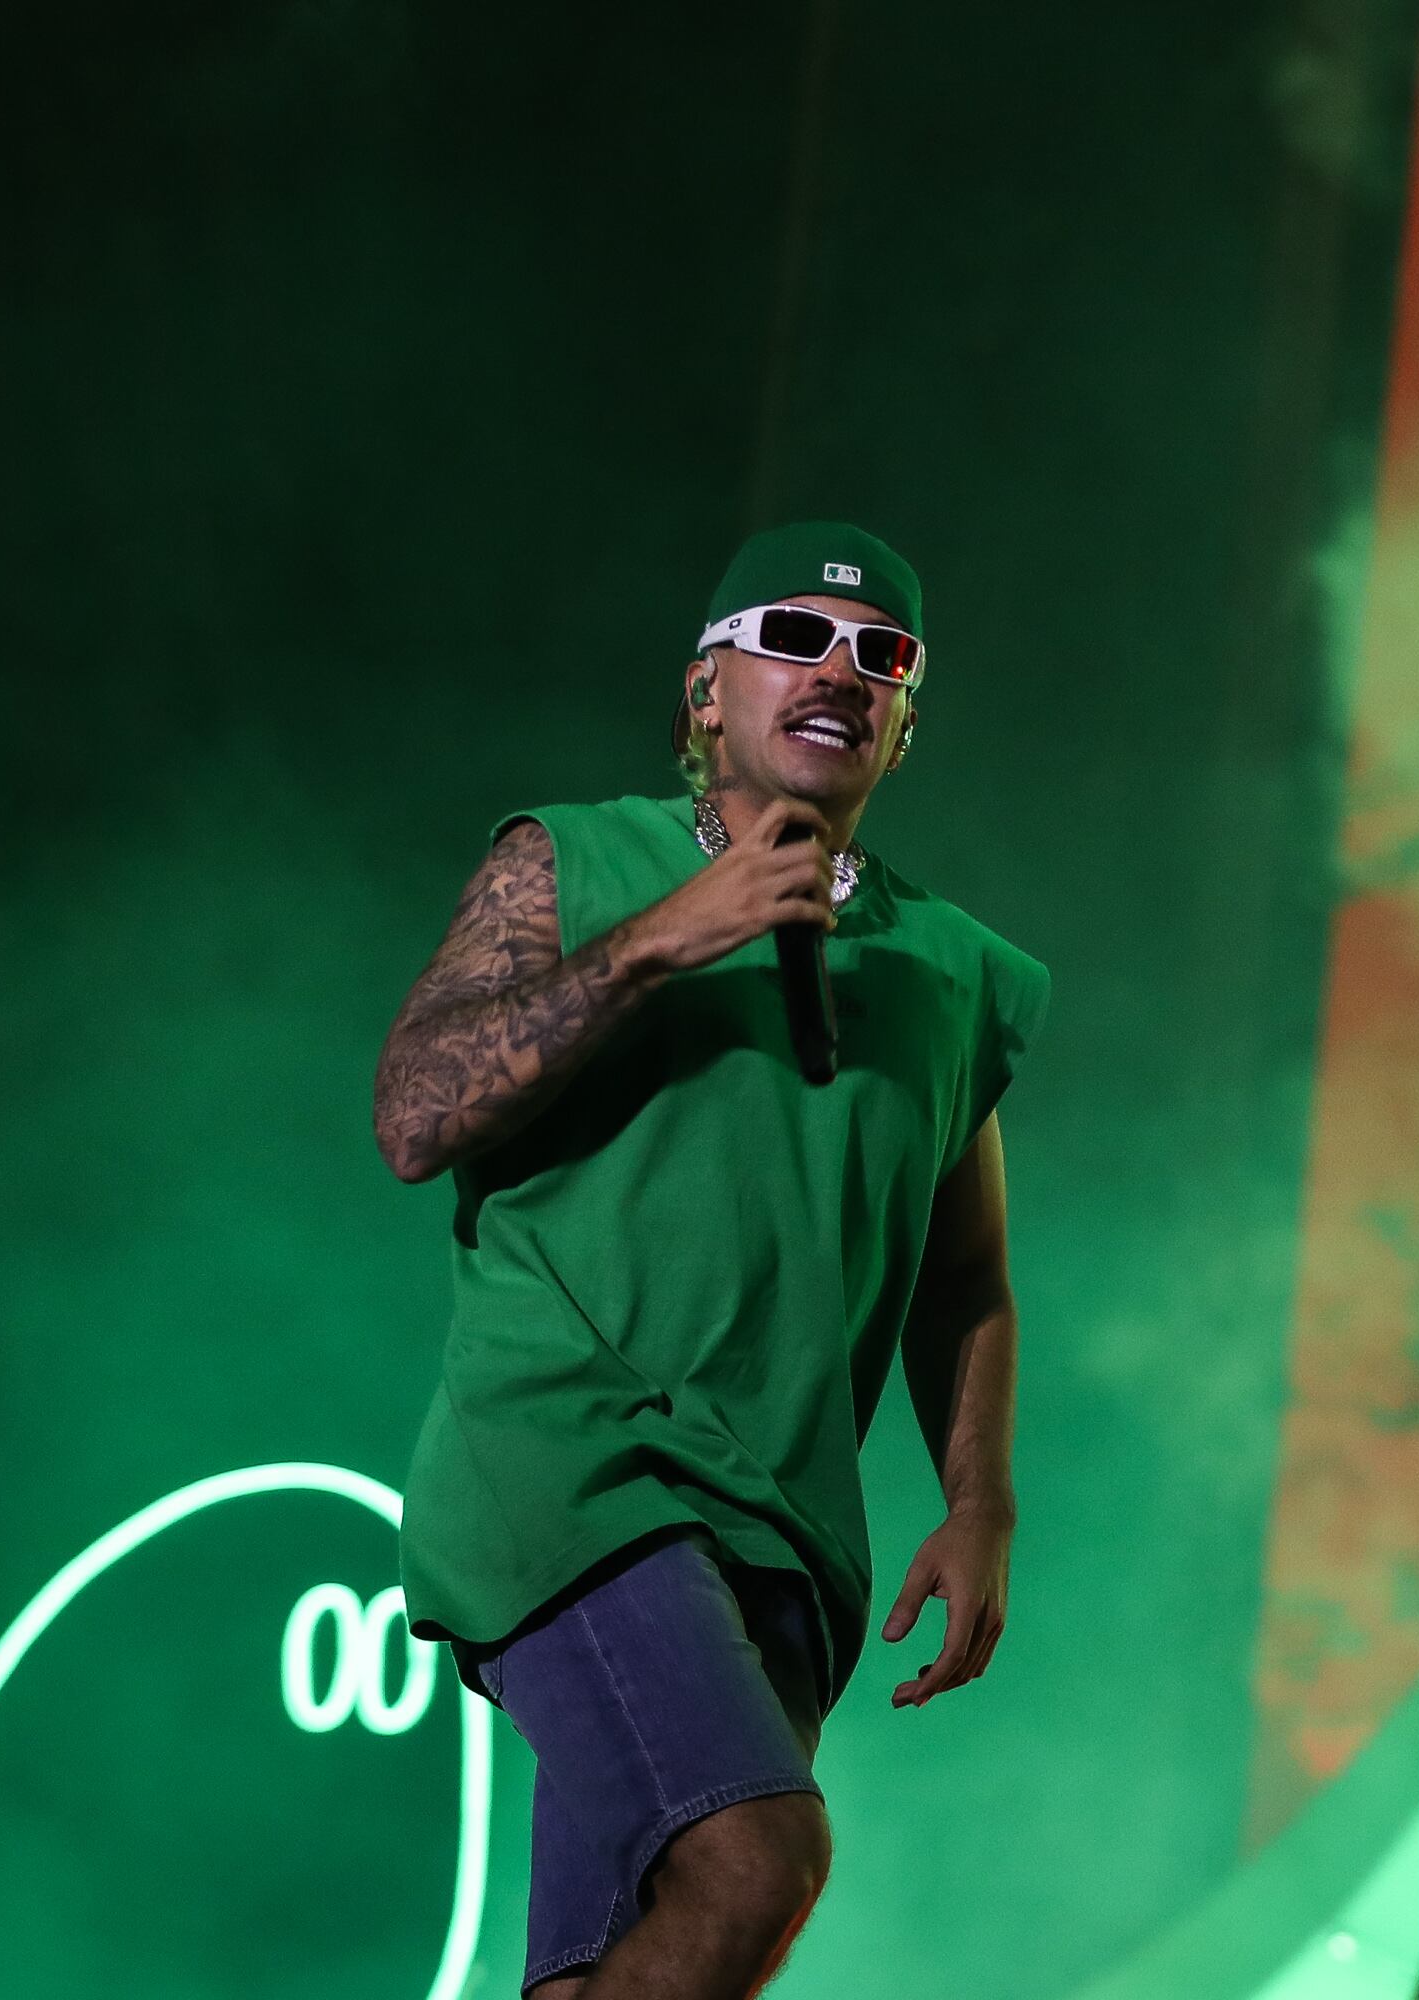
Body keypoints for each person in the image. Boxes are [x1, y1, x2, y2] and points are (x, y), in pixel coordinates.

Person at [372, 521, 1050, 1998]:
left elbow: (965, 1278)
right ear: (705, 692)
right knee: (759, 1859)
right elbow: (416, 1115)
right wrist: (667, 937)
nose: (842, 673)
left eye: (884, 656)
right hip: (575, 1464)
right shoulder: (574, 858)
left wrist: (980, 1498)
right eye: (796, 638)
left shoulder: (958, 971)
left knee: (620, 1957)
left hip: (787, 1525)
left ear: (909, 716)